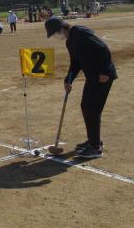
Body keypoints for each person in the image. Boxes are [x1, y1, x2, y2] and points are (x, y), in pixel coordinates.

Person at [44, 16, 117, 158]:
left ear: (61, 28)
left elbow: (102, 49)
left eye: (55, 33)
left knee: (92, 109)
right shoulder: (70, 41)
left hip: (102, 77)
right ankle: (93, 141)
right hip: (93, 77)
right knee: (87, 107)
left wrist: (104, 71)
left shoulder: (79, 33)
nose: (57, 36)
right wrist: (68, 80)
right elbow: (75, 63)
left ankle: (95, 147)